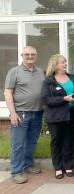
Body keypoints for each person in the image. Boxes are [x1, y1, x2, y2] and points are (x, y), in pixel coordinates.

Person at [4, 46, 44, 184]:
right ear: (22, 55)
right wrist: (12, 113)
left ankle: (27, 165)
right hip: (21, 114)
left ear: (36, 56)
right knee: (18, 144)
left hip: (38, 112)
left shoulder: (40, 72)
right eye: (27, 54)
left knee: (32, 141)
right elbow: (8, 92)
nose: (30, 56)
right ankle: (16, 171)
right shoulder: (14, 71)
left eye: (33, 54)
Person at [41, 54, 74, 179]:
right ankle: (58, 167)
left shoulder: (72, 77)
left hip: (71, 114)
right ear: (55, 65)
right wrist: (64, 98)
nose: (65, 64)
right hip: (55, 115)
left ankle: (68, 166)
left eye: (65, 62)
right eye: (63, 62)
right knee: (57, 140)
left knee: (69, 140)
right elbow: (46, 100)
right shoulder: (48, 81)